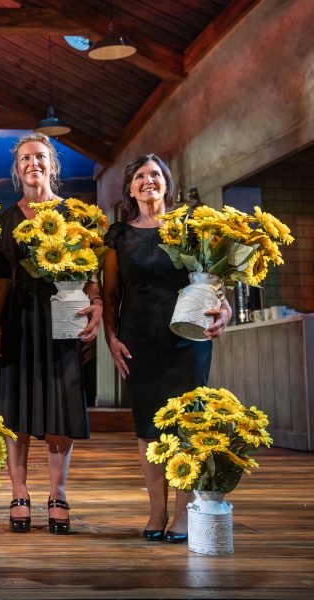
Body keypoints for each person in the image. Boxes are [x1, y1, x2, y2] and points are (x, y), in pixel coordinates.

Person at [101, 154, 231, 543]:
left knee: (186, 425)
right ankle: (156, 511)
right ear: (130, 188)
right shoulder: (118, 235)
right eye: (139, 176)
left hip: (187, 340)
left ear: (166, 184)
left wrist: (224, 311)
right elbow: (110, 296)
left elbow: (217, 282)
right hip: (137, 340)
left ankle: (182, 513)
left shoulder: (191, 227)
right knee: (148, 429)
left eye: (155, 175)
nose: (147, 181)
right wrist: (111, 338)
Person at [0, 132, 102, 535]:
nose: (32, 164)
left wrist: (97, 303)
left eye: (39, 157)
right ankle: (19, 492)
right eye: (24, 160)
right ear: (17, 171)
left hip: (64, 317)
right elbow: (0, 278)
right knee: (16, 409)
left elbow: (91, 271)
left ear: (52, 164)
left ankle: (57, 492)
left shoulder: (76, 215)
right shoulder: (5, 219)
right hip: (20, 317)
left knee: (59, 406)